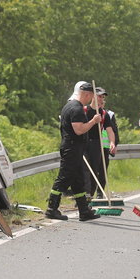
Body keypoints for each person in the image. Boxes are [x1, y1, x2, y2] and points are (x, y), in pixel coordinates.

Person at [45, 81, 102, 222]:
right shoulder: (76, 109)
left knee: (78, 180)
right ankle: (52, 209)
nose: (91, 100)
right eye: (91, 97)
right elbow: (79, 130)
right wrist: (94, 121)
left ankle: (84, 211)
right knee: (64, 178)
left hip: (74, 148)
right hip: (72, 148)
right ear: (87, 94)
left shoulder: (71, 106)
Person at [84, 87, 117, 197]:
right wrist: (93, 121)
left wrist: (112, 142)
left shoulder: (104, 114)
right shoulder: (84, 110)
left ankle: (90, 196)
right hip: (83, 143)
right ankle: (84, 195)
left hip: (97, 143)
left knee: (94, 171)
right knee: (84, 170)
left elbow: (110, 130)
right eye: (99, 96)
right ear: (93, 96)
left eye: (103, 97)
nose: (101, 99)